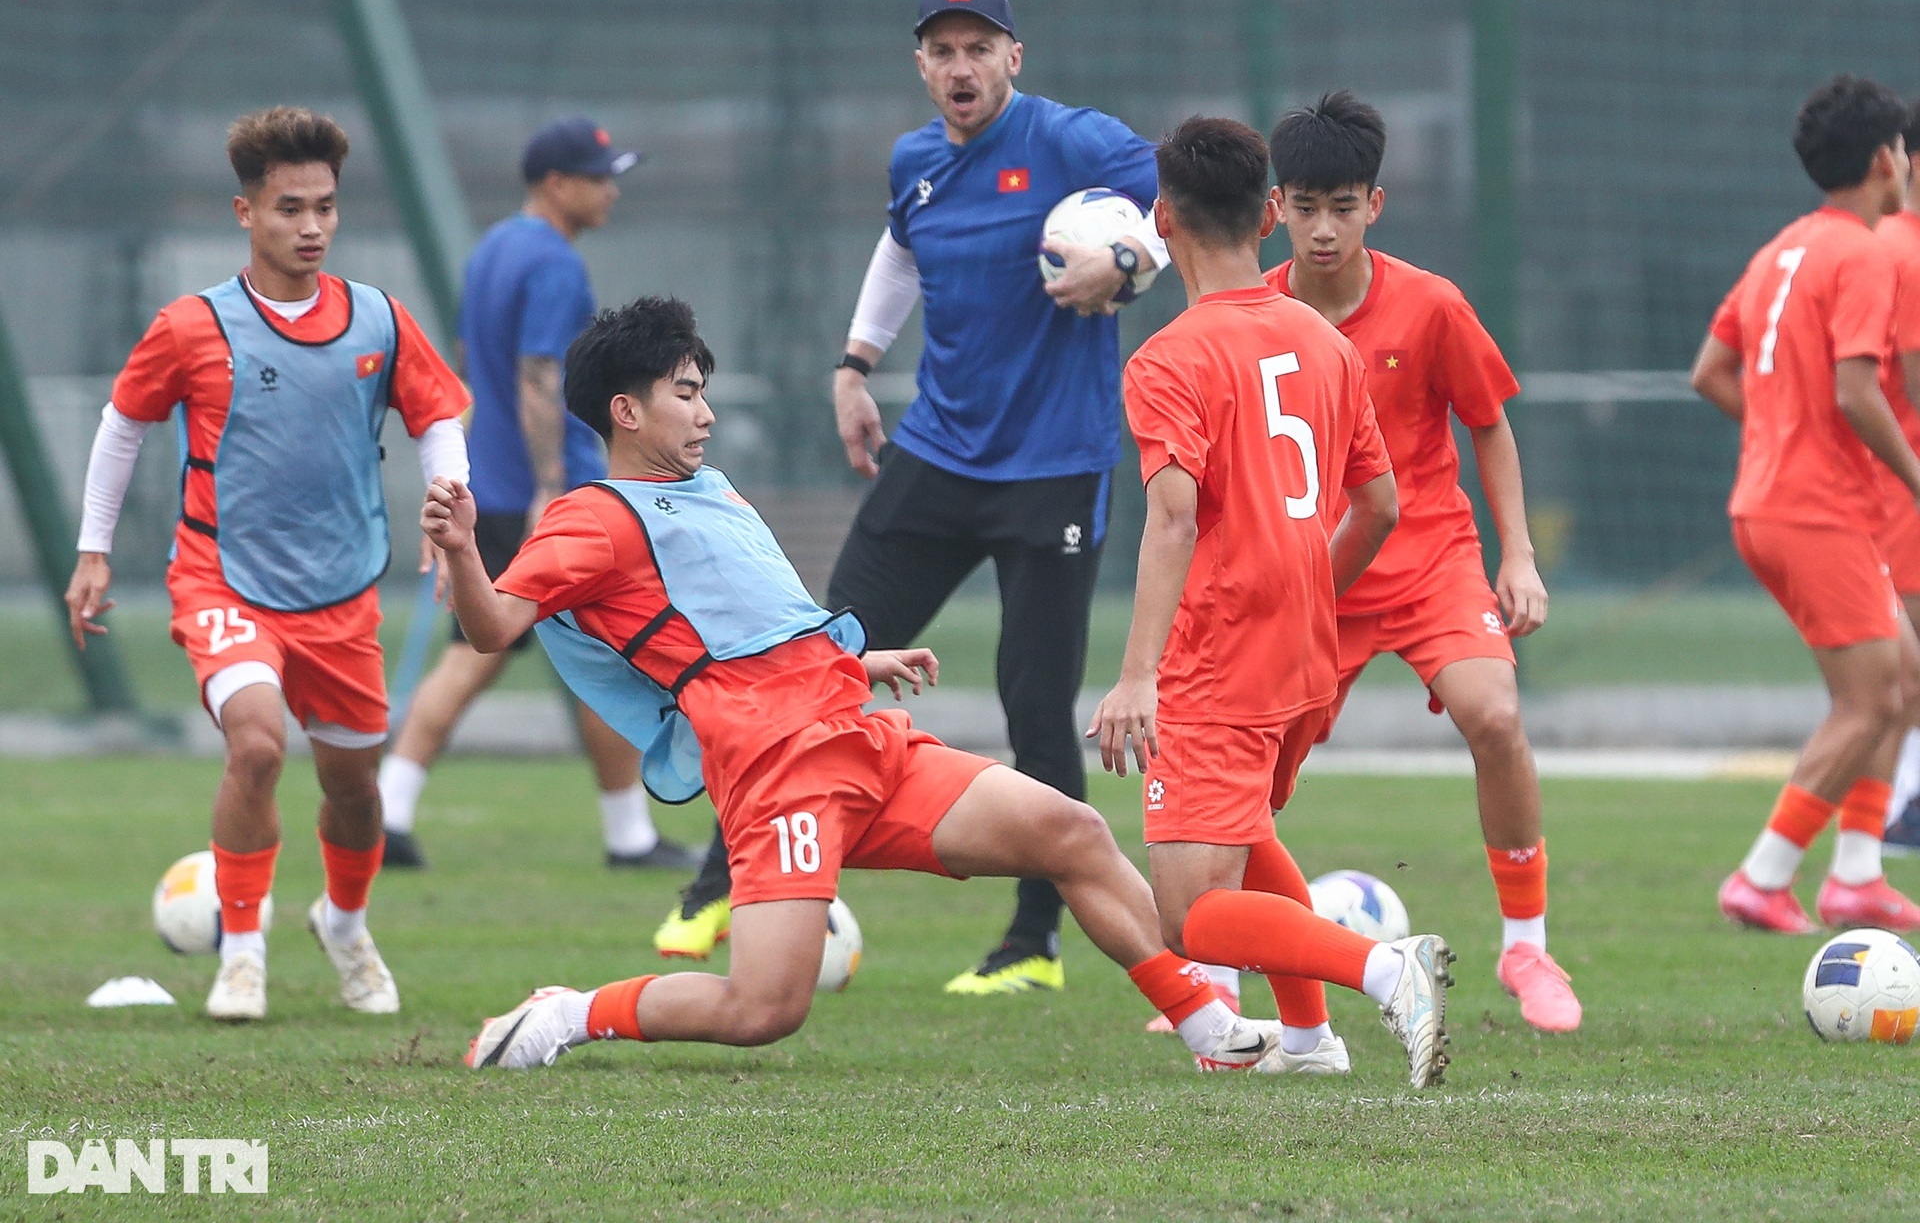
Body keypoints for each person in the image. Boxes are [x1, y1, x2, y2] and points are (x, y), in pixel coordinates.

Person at [430, 296, 1368, 1077]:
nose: (706, 412)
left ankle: (1211, 1029)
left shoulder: (713, 490)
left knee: (1072, 831)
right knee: (763, 1010)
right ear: (626, 413)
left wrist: (854, 659)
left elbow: (752, 622)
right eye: (686, 393)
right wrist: (466, 550)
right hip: (777, 775)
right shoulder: (591, 520)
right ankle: (568, 1014)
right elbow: (494, 627)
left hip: (857, 735)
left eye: (704, 391)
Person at [655, 0, 1185, 997]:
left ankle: (1033, 942)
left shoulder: (1070, 140)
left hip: (1053, 469)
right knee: (813, 663)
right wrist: (855, 364)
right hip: (937, 456)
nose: (960, 66)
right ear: (921, 65)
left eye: (978, 47)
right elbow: (902, 247)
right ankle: (721, 879)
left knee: (1035, 703)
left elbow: (1184, 200)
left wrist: (1129, 254)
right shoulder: (916, 162)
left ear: (1013, 57)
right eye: (942, 50)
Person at [63, 107, 471, 1020]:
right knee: (255, 746)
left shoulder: (378, 319)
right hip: (224, 580)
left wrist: (450, 513)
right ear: (245, 213)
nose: (312, 226)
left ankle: (345, 923)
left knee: (354, 789)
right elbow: (123, 424)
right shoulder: (192, 326)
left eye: (325, 206)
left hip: (341, 590)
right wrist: (93, 548)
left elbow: (438, 414)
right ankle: (242, 952)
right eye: (291, 208)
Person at [1087, 117, 1452, 1087]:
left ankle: (1387, 968)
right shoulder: (1325, 342)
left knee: (1189, 917)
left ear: (1163, 220)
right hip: (1302, 651)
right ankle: (1308, 1039)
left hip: (1217, 656)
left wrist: (1137, 676)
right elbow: (1381, 505)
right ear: (1267, 216)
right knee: (1246, 835)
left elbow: (1173, 521)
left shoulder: (1168, 359)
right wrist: (1308, 594)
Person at [1260, 92, 1581, 1032]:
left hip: (1432, 557)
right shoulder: (1257, 314)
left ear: (1376, 205)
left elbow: (1489, 424)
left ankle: (1527, 947)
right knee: (1255, 775)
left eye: (1343, 207)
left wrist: (1517, 557)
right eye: (1306, 208)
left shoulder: (1432, 304)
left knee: (1496, 716)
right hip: (1317, 575)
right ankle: (1224, 967)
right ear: (1276, 209)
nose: (1325, 229)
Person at [376, 117, 698, 873]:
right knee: (599, 656)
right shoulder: (554, 263)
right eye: (598, 178)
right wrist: (552, 486)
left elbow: (466, 362)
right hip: (542, 494)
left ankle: (390, 811)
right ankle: (627, 835)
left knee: (496, 657)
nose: (611, 191)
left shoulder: (493, 249)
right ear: (556, 185)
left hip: (492, 486)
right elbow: (538, 378)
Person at [1690, 74, 1920, 932]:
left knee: (1902, 678)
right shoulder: (1865, 252)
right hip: (1815, 508)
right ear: (1885, 159)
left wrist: (1781, 434)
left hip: (1773, 501)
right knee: (1867, 699)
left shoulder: (1783, 248)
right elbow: (1861, 390)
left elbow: (1709, 370)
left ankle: (1856, 874)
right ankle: (1763, 876)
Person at [1873, 101, 1920, 858]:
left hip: (1886, 484)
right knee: (1901, 670)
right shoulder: (1903, 248)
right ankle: (1899, 812)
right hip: (1902, 486)